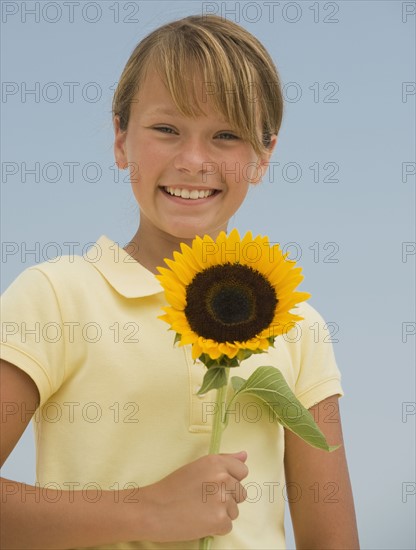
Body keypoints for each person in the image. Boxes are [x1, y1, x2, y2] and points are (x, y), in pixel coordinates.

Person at [0, 14, 359, 550]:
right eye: (167, 129)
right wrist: (146, 511)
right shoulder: (56, 297)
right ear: (121, 139)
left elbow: (332, 539)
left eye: (226, 135)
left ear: (263, 157)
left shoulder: (297, 325)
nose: (193, 161)